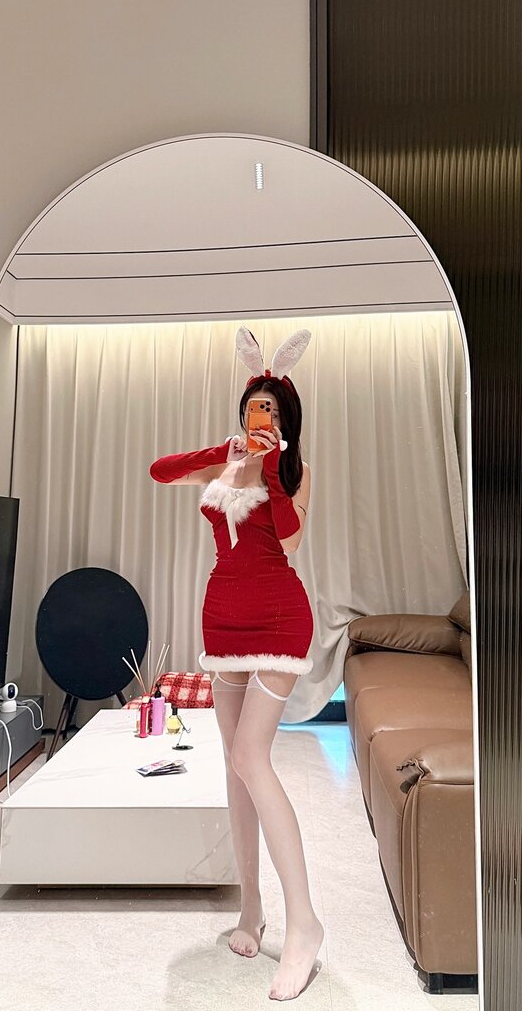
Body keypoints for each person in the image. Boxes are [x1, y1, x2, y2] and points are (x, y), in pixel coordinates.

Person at [149, 327, 324, 1001]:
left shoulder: (296, 472)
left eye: (272, 408)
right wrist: (222, 455)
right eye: (254, 405)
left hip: (279, 614)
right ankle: (251, 907)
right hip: (221, 615)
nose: (261, 415)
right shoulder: (223, 464)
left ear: (286, 418)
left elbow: (291, 539)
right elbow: (161, 470)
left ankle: (304, 923)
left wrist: (271, 470)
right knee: (233, 762)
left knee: (253, 756)